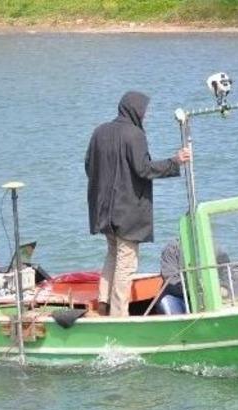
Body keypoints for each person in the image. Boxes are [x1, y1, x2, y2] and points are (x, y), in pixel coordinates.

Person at [85, 91, 191, 317]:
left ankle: (103, 302)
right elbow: (144, 169)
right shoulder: (135, 134)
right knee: (126, 263)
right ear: (135, 110)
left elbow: (88, 166)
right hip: (127, 212)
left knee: (113, 254)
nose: (146, 115)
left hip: (102, 210)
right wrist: (175, 161)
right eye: (145, 110)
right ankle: (118, 315)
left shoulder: (99, 131)